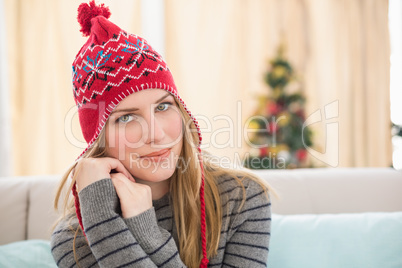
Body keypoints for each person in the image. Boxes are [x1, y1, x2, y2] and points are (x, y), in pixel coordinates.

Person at [51, 1, 272, 267]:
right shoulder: (74, 240)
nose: (155, 133)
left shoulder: (241, 198)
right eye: (127, 118)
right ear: (97, 137)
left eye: (164, 106)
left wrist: (147, 231)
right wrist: (101, 220)